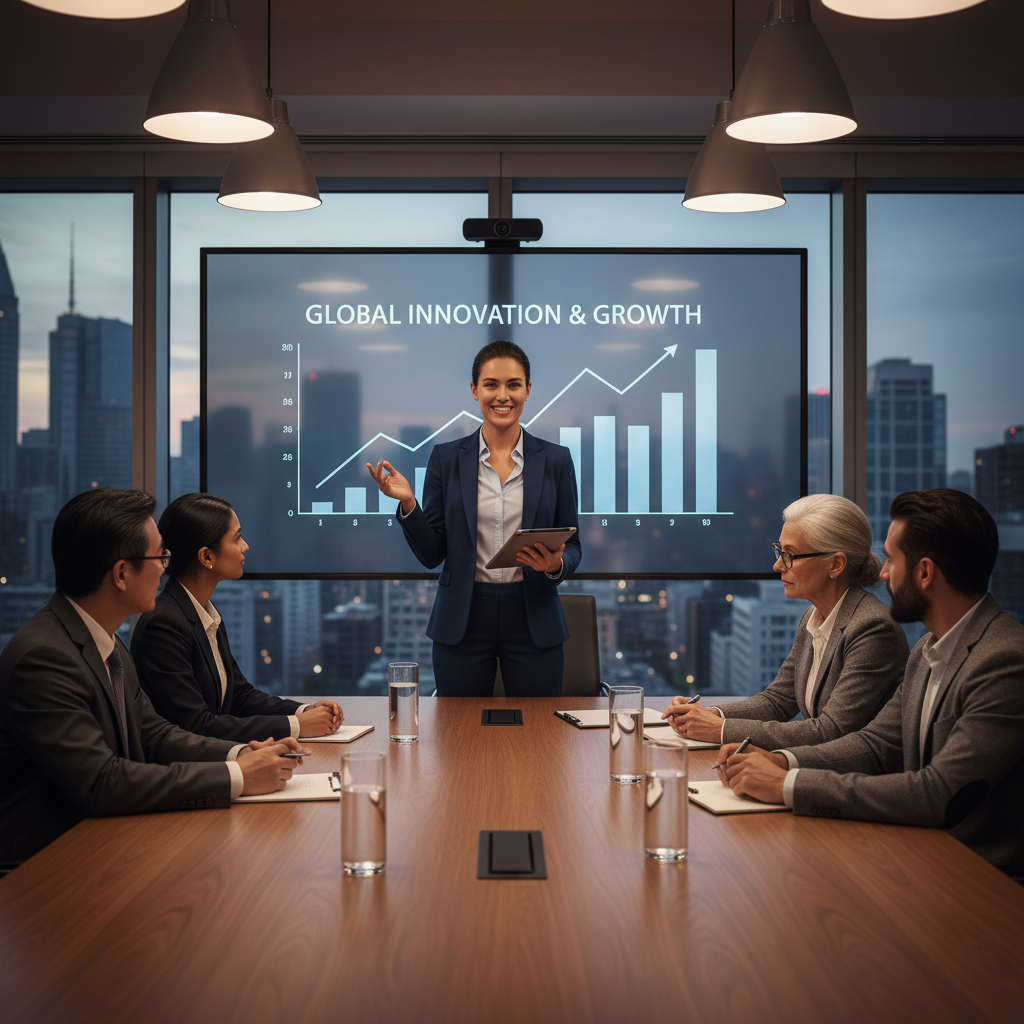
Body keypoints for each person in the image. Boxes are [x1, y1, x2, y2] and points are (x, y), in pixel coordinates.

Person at [716, 489, 1024, 873]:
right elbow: (875, 745)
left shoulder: (1004, 661)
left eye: (892, 560)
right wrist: (779, 761)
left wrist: (786, 784)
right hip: (921, 851)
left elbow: (938, 793)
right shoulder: (928, 648)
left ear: (924, 573)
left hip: (978, 877)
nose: (882, 573)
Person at [0, 489, 305, 864]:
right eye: (160, 556)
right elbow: (101, 782)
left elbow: (155, 734)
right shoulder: (44, 658)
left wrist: (241, 754)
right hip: (50, 863)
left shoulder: (107, 642)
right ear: (122, 574)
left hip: (111, 839)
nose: (165, 568)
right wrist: (237, 776)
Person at [366, 340, 581, 696]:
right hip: (462, 619)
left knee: (540, 728)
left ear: (528, 390)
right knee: (458, 727)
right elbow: (432, 554)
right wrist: (409, 504)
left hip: (533, 616)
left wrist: (555, 565)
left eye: (513, 385)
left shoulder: (556, 461)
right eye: (491, 384)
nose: (503, 396)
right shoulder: (446, 459)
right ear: (474, 390)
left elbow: (573, 546)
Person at [663, 494, 908, 748]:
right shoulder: (812, 617)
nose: (778, 565)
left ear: (835, 564)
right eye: (780, 551)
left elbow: (830, 731)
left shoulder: (872, 628)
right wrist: (710, 714)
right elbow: (777, 701)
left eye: (790, 555)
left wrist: (720, 729)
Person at [132, 493, 343, 742]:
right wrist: (296, 726)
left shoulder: (205, 612)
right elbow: (196, 726)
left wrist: (303, 711)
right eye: (237, 538)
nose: (245, 546)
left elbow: (240, 697)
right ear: (206, 557)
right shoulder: (164, 625)